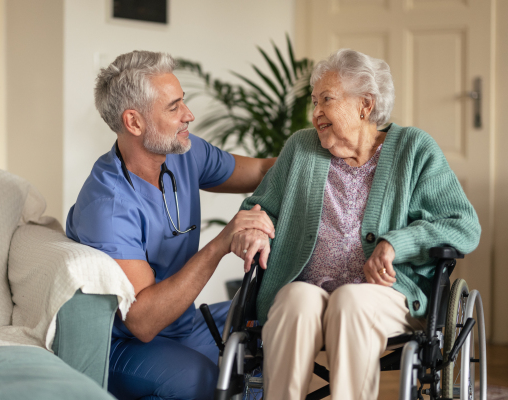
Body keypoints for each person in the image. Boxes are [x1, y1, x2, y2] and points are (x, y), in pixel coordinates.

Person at [231, 48, 481, 400]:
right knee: (293, 299)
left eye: (326, 100)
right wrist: (256, 228)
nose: (316, 112)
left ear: (365, 104)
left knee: (351, 301)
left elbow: (463, 225)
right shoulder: (300, 148)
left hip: (387, 296)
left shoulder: (415, 149)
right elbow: (260, 207)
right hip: (309, 287)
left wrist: (396, 243)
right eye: (314, 102)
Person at [65, 50, 276, 400]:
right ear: (134, 122)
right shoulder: (108, 207)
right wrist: (223, 240)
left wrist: (322, 151)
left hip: (183, 325)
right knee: (202, 380)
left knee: (277, 322)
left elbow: (261, 171)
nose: (189, 116)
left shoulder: (184, 153)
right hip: (122, 345)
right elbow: (143, 322)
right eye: (174, 107)